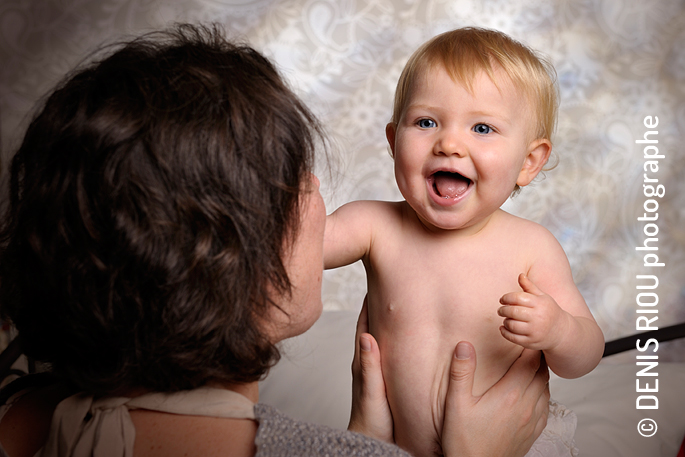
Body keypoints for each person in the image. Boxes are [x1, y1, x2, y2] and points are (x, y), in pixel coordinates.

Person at [0, 24, 550, 457]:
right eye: (292, 185)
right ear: (249, 272)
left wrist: (363, 441)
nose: (315, 191)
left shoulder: (22, 415)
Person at [324, 27, 605, 457]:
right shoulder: (375, 224)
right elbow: (302, 248)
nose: (450, 143)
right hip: (396, 446)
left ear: (528, 163)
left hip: (515, 444)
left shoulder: (532, 247)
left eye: (482, 128)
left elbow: (585, 355)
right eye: (426, 122)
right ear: (394, 141)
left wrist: (558, 329)